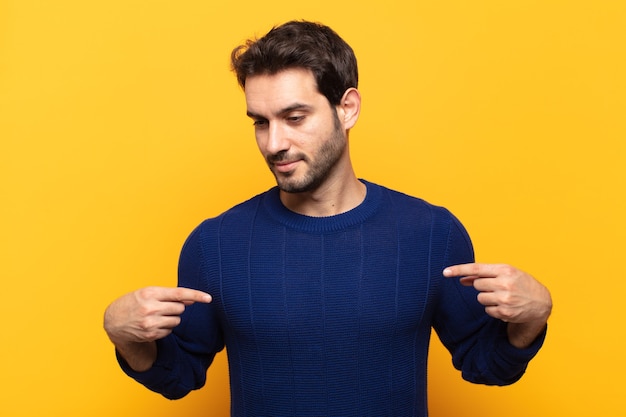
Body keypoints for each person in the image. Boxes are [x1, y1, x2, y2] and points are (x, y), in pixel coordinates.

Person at [104, 20, 552, 416]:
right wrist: (127, 339)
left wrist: (529, 321)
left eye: (294, 117)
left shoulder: (431, 233)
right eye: (260, 122)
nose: (273, 142)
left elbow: (485, 365)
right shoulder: (214, 243)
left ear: (347, 108)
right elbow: (178, 378)